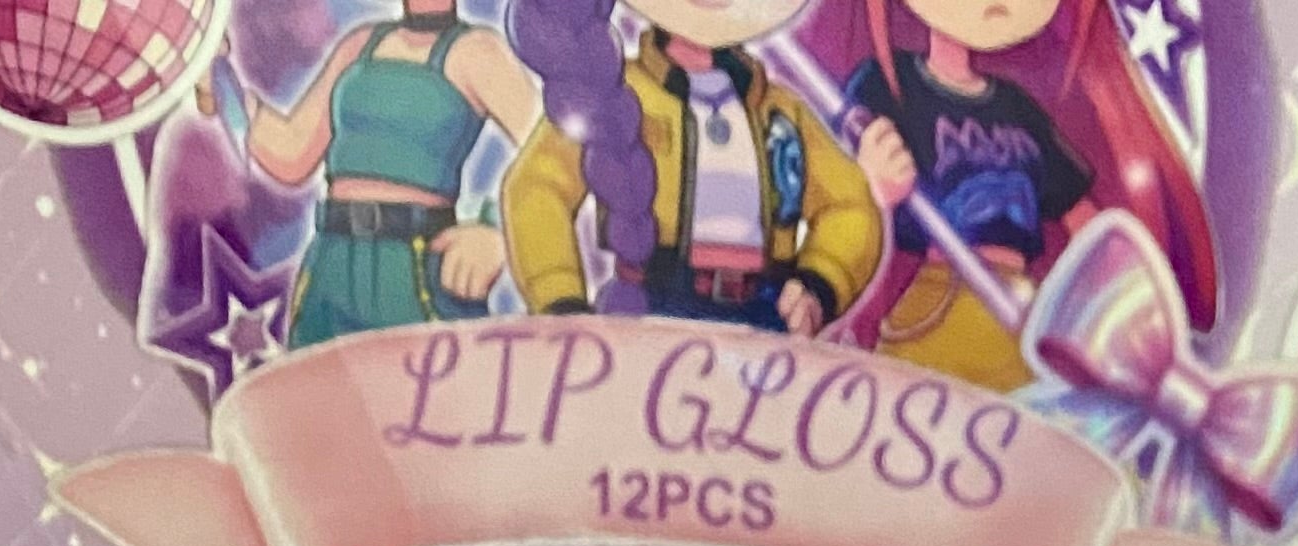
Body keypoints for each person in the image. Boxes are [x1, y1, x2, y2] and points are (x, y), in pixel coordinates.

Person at [838, 0, 1214, 383]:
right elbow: (836, 192)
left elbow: (1084, 219)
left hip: (1019, 308)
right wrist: (873, 186)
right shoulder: (886, 82)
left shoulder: (1018, 108)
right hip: (937, 298)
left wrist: (1127, 296)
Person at [502, 0, 881, 329]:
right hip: (652, 308)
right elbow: (537, 188)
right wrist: (559, 297)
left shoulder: (780, 110)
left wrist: (821, 281)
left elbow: (849, 204)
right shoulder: (611, 92)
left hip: (766, 314)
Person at [245, 0, 544, 346]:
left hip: (415, 271)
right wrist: (221, 84)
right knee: (311, 378)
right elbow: (292, 154)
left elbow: (554, 154)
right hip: (330, 264)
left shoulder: (478, 52)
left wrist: (497, 234)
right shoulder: (359, 45)